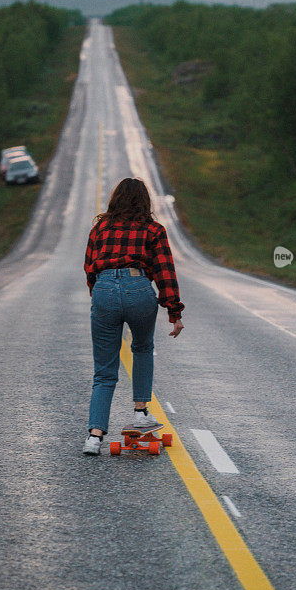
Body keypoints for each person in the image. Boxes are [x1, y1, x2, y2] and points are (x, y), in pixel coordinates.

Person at [83, 177, 184, 455]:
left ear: (115, 200)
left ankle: (94, 437)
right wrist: (174, 312)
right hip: (138, 286)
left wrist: (100, 293)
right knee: (142, 348)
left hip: (104, 287)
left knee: (104, 370)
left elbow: (89, 266)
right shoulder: (153, 229)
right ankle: (140, 413)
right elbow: (165, 271)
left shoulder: (100, 228)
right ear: (145, 201)